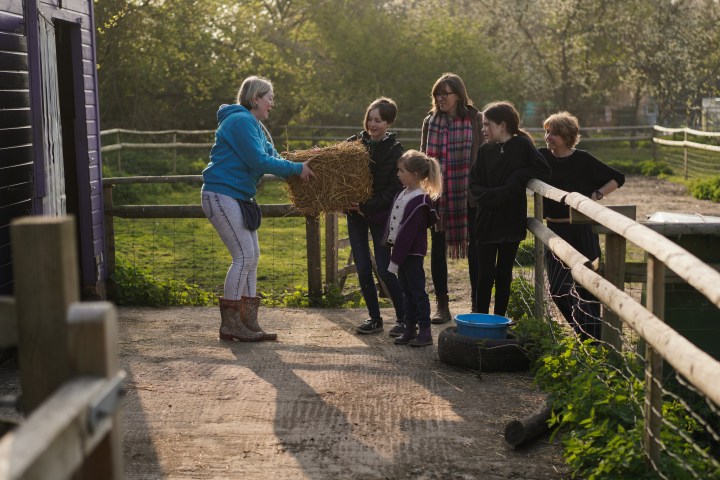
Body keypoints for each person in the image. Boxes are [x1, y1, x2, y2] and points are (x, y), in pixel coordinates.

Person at [201, 75, 313, 342]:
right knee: (242, 256)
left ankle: (248, 322)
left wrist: (300, 162)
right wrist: (298, 169)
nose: (272, 104)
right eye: (270, 98)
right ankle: (230, 324)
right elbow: (258, 160)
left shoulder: (255, 126)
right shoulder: (240, 121)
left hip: (238, 196)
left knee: (251, 256)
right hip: (222, 192)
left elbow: (272, 156)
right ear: (255, 98)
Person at [540, 111, 625, 340]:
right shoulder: (542, 157)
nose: (548, 137)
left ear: (567, 136)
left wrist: (596, 195)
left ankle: (593, 340)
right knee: (558, 290)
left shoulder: (583, 160)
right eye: (547, 132)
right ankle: (587, 332)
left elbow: (617, 177)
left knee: (587, 289)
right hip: (554, 231)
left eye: (553, 133)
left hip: (582, 231)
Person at [469, 101, 550, 317]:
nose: (483, 130)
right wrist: (495, 196)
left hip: (510, 222)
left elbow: (543, 169)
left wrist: (517, 178)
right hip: (486, 221)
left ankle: (499, 320)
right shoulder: (484, 151)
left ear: (502, 125)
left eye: (487, 125)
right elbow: (474, 184)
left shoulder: (522, 146)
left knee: (504, 274)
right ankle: (481, 319)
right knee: (484, 275)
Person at [420, 73, 482, 323]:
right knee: (437, 250)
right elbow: (425, 156)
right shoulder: (430, 121)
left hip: (468, 194)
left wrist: (474, 189)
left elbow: (481, 154)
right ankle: (442, 306)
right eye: (438, 93)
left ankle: (478, 306)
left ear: (459, 95)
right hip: (438, 194)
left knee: (476, 250)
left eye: (446, 93)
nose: (441, 98)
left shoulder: (475, 119)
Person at [346, 98, 407, 336]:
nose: (372, 124)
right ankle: (374, 318)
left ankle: (403, 318)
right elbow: (335, 161)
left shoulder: (395, 151)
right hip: (355, 214)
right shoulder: (354, 143)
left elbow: (393, 190)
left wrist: (367, 207)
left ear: (388, 122)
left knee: (384, 268)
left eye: (378, 120)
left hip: (380, 216)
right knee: (362, 267)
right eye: (370, 119)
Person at [384, 150, 442, 347]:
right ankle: (410, 328)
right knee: (406, 292)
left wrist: (395, 261)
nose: (398, 174)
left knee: (417, 292)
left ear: (415, 175)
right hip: (401, 253)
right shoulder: (403, 194)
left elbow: (407, 234)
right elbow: (392, 219)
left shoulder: (419, 200)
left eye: (401, 171)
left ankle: (425, 331)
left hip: (411, 254)